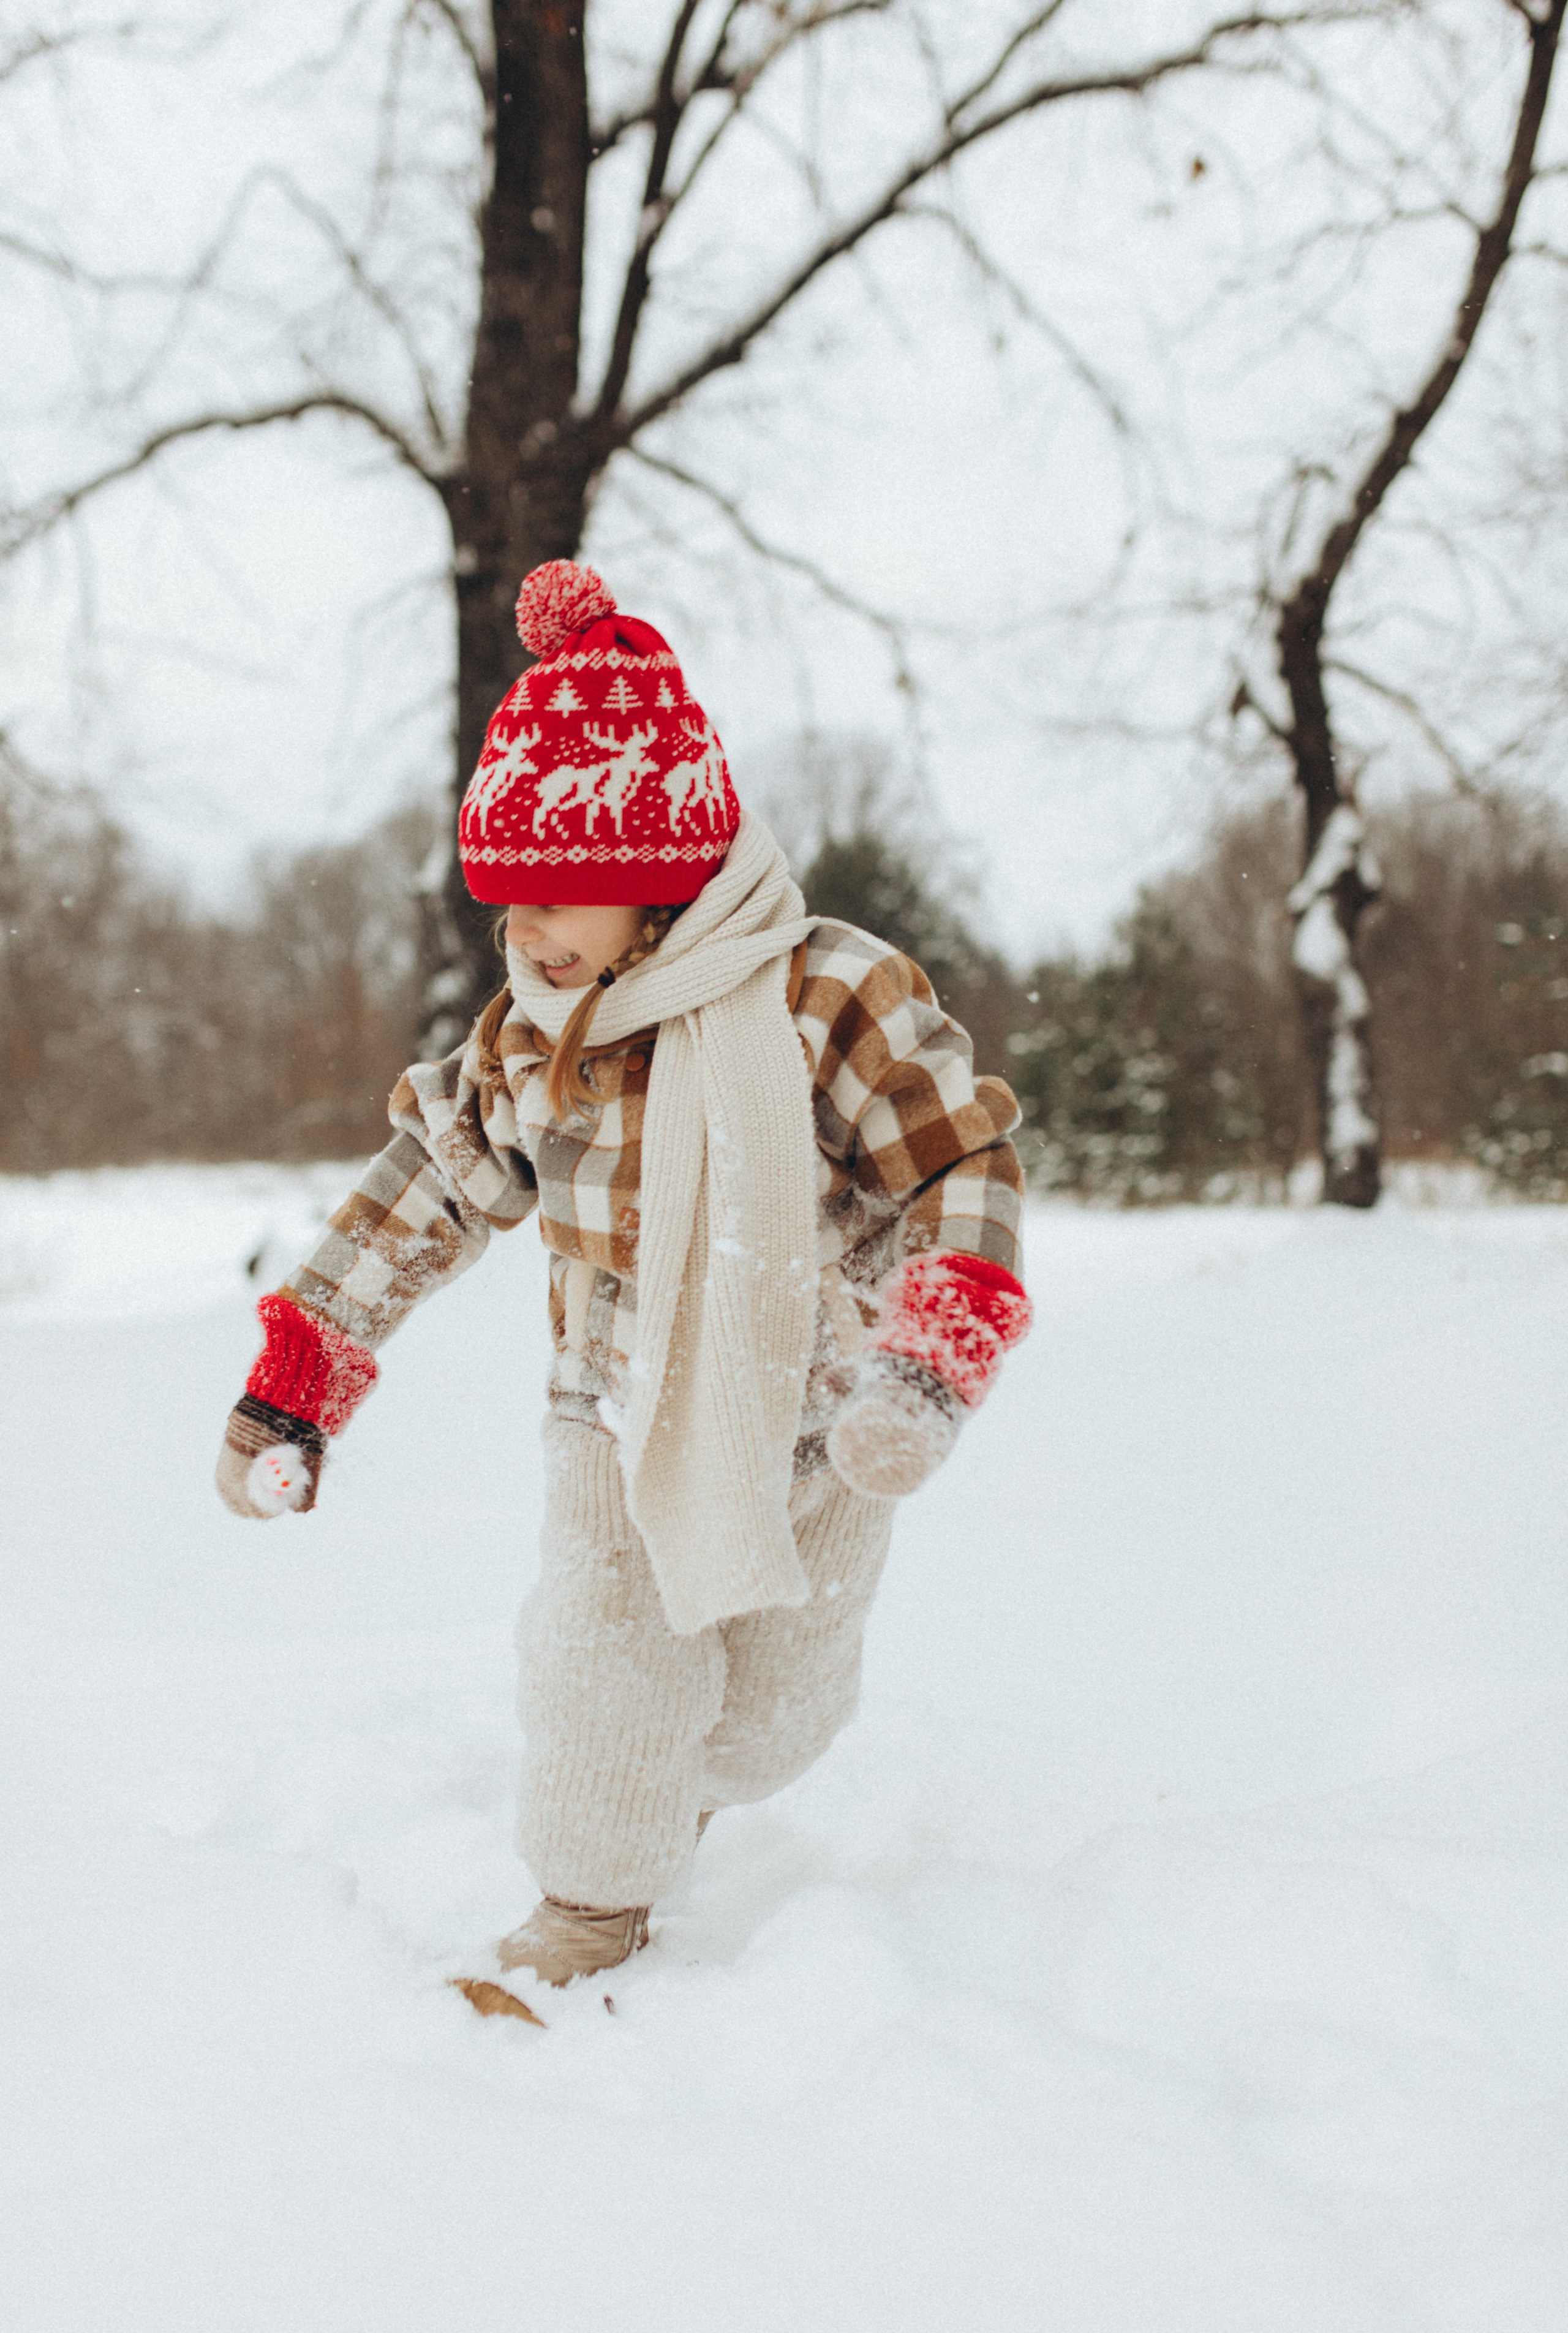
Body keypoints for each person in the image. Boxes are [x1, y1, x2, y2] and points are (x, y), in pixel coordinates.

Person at [215, 561, 1031, 1995]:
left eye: (553, 899)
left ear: (658, 885)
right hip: (611, 1408)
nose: (521, 934)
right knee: (607, 1671)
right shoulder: (532, 1039)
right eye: (503, 902)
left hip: (821, 1415)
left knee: (774, 1713)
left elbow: (954, 1165)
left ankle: (680, 1792)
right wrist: (300, 1378)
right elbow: (424, 1191)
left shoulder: (825, 995)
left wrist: (927, 1362)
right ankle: (584, 1914)